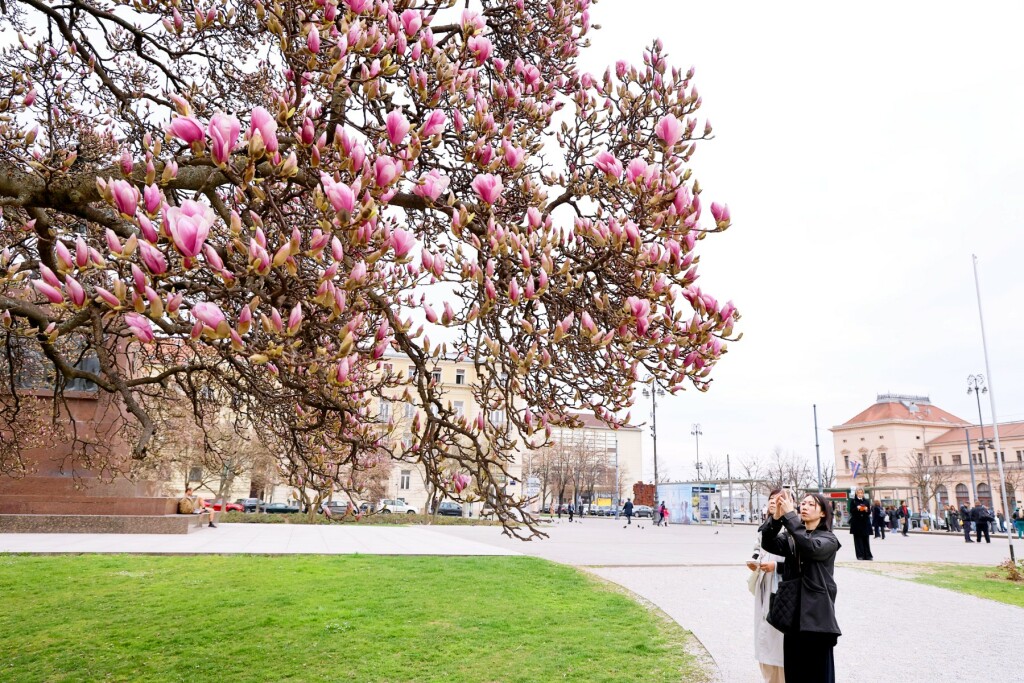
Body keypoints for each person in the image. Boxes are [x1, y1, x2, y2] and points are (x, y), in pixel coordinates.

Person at [761, 491, 841, 682]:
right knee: (794, 672)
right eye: (802, 503)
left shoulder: (829, 539)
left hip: (817, 616)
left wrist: (790, 517)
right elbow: (768, 542)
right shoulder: (792, 537)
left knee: (818, 674)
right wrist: (777, 517)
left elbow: (810, 548)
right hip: (793, 613)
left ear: (823, 513)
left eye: (810, 504)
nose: (803, 506)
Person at [749, 489, 787, 683]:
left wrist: (777, 566)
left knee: (778, 639)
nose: (774, 503)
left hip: (781, 586)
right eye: (771, 500)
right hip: (764, 583)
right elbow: (758, 546)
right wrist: (754, 560)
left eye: (778, 500)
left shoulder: (793, 527)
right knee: (764, 635)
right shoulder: (766, 526)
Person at [848, 487, 873, 560]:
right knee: (858, 540)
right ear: (856, 493)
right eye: (859, 493)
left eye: (861, 493)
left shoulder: (866, 501)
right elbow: (851, 511)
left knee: (866, 539)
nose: (860, 494)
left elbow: (869, 512)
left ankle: (868, 555)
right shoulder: (853, 501)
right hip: (857, 523)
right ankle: (860, 555)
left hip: (865, 522)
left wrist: (866, 509)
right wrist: (857, 508)